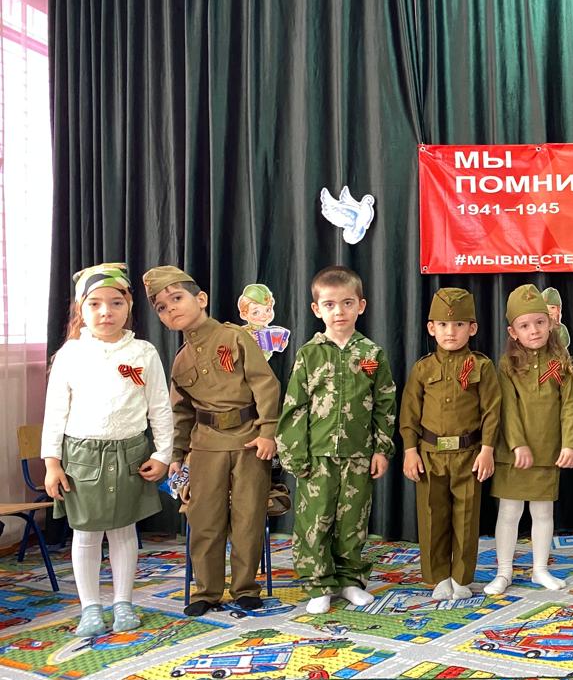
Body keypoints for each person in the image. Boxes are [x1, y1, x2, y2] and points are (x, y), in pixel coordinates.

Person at [42, 264, 173, 636]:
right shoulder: (70, 354)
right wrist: (52, 463)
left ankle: (123, 603)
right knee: (86, 534)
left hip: (130, 455)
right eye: (95, 304)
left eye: (116, 302)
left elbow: (160, 406)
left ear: (129, 306)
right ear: (81, 309)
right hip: (82, 459)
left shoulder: (144, 352)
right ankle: (90, 608)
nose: (106, 312)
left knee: (124, 530)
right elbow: (55, 411)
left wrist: (162, 454)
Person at [144, 265, 280, 617]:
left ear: (201, 299)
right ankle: (207, 591)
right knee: (205, 520)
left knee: (248, 518)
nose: (171, 309)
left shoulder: (234, 338)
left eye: (177, 298)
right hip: (205, 447)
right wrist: (177, 454)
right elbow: (181, 412)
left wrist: (268, 431)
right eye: (162, 307)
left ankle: (245, 588)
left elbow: (265, 384)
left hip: (249, 441)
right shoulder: (181, 361)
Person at [276, 266, 397, 614]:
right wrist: (296, 455)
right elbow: (295, 407)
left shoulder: (371, 354)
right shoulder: (309, 354)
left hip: (359, 455)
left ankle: (349, 580)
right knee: (315, 522)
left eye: (347, 303)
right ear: (317, 309)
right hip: (318, 456)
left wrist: (381, 449)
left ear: (361, 305)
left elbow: (385, 403)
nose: (339, 312)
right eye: (329, 305)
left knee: (353, 522)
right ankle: (319, 584)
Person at [400, 287, 500, 600]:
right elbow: (409, 412)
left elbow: (492, 411)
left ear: (473, 328)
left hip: (468, 454)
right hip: (430, 455)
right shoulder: (423, 368)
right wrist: (410, 450)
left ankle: (461, 577)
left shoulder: (482, 367)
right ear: (431, 328)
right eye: (442, 324)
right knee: (432, 516)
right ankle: (438, 576)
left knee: (466, 518)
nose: (450, 332)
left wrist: (487, 450)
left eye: (459, 324)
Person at [486, 284, 573, 595]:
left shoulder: (560, 360)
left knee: (543, 513)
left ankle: (540, 569)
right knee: (509, 512)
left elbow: (570, 405)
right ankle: (504, 572)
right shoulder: (507, 364)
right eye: (525, 326)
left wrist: (570, 444)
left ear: (550, 323)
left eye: (540, 322)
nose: (534, 330)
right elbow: (507, 407)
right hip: (514, 455)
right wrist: (517, 444)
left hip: (548, 451)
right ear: (513, 332)